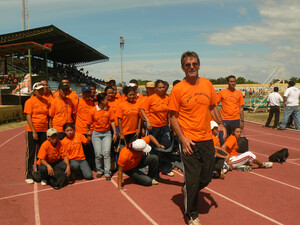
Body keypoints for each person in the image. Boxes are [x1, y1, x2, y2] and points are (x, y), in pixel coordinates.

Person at [168, 51, 226, 225]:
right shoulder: (178, 89)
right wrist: (183, 139)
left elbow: (212, 107)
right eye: (188, 65)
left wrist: (220, 123)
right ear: (183, 68)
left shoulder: (207, 84)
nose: (191, 67)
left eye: (194, 64)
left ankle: (189, 190)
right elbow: (172, 117)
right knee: (193, 181)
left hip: (207, 139)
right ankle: (191, 214)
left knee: (207, 176)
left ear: (199, 65)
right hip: (189, 141)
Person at [140, 80, 173, 176]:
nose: (162, 89)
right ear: (156, 88)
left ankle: (166, 168)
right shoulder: (150, 98)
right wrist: (148, 121)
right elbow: (142, 109)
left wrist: (169, 123)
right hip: (153, 127)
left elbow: (170, 112)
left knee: (167, 146)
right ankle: (154, 170)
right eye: (160, 87)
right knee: (154, 149)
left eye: (163, 87)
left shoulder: (167, 98)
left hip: (164, 126)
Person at [24, 82, 50, 184]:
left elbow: (48, 117)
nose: (41, 91)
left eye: (42, 89)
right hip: (32, 130)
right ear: (34, 91)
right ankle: (28, 174)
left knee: (42, 154)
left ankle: (41, 174)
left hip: (43, 130)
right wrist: (34, 131)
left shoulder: (46, 102)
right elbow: (28, 116)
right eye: (38, 90)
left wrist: (48, 130)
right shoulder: (30, 102)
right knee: (30, 153)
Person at [90, 93, 117, 180]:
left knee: (106, 153)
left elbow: (112, 121)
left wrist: (115, 133)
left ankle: (107, 171)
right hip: (96, 134)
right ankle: (99, 170)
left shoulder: (109, 110)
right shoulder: (93, 110)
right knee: (98, 154)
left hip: (107, 133)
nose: (108, 100)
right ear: (101, 101)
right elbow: (89, 123)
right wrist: (89, 133)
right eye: (106, 99)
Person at [217, 75, 245, 144]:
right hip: (224, 119)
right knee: (223, 139)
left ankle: (232, 154)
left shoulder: (239, 93)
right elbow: (215, 105)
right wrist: (218, 119)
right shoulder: (222, 92)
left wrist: (242, 120)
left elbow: (241, 108)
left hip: (235, 120)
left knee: (234, 140)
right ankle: (223, 154)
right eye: (231, 81)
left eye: (234, 81)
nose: (233, 83)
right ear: (227, 82)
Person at [76, 85, 95, 170]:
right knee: (82, 150)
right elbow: (73, 114)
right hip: (80, 130)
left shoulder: (94, 103)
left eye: (88, 92)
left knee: (91, 150)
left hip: (91, 130)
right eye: (85, 93)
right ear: (82, 93)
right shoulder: (78, 101)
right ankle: (83, 167)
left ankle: (91, 166)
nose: (87, 94)